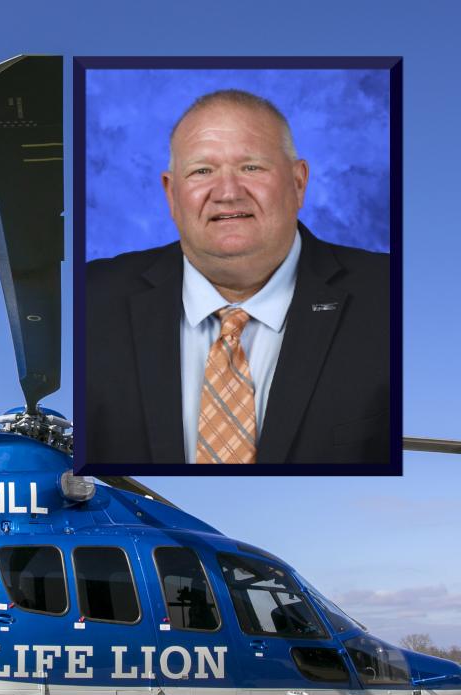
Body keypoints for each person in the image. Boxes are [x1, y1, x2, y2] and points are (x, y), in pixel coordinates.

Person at [84, 89, 389, 466]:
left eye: (251, 167)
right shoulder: (89, 301)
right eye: (202, 171)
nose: (227, 193)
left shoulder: (391, 297)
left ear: (298, 182)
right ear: (171, 193)